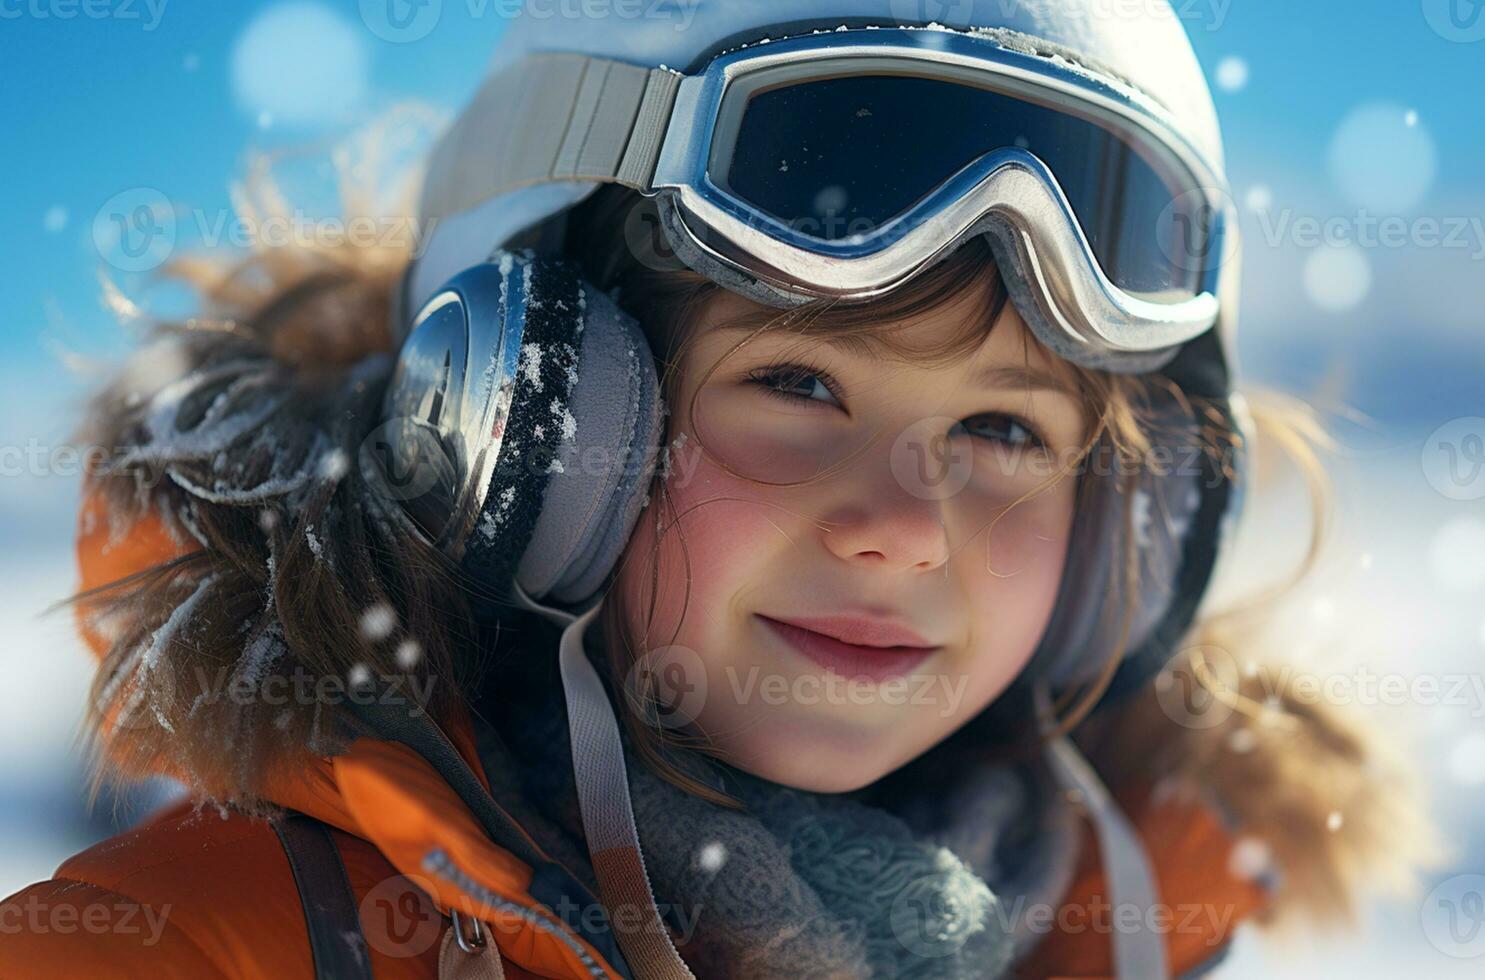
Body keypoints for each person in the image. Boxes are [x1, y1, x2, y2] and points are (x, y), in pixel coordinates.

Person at [0, 3, 1441, 977]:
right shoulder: (178, 945)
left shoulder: (1130, 926)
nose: (900, 528)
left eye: (1002, 429)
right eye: (799, 387)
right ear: (517, 422)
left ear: (1136, 532)